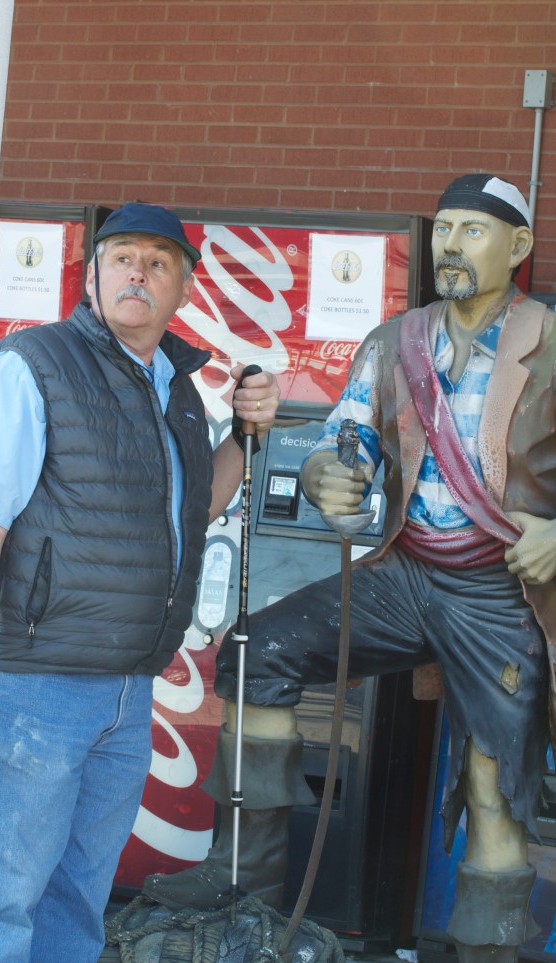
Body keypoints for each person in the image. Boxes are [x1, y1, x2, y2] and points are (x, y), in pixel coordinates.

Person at [143, 174, 556, 963]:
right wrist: (336, 477)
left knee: (491, 783)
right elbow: (348, 440)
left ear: (520, 246)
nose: (451, 246)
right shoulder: (394, 340)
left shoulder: (553, 342)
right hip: (405, 571)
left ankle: (488, 952)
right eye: (444, 230)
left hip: (499, 588)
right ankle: (245, 886)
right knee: (254, 649)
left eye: (473, 231)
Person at [0, 201, 280, 963]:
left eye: (158, 262)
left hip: (128, 693)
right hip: (32, 689)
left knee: (77, 905)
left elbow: (204, 505)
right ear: (91, 274)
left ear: (183, 290)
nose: (138, 273)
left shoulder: (177, 390)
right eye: (121, 256)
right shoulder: (34, 366)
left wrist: (248, 435)